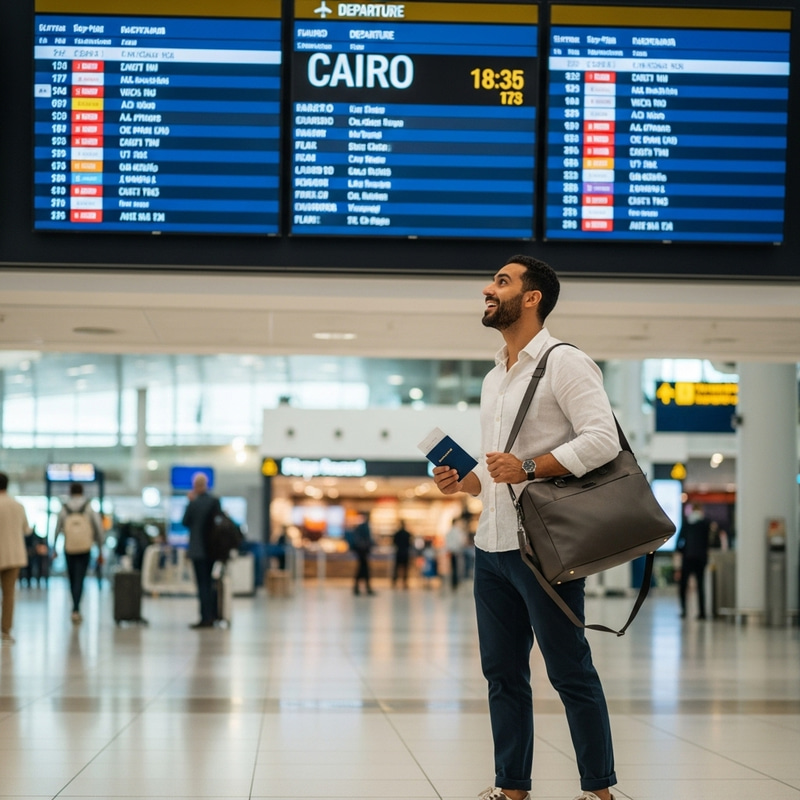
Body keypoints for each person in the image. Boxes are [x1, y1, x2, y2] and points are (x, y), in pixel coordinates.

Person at [433, 255, 619, 800]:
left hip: (544, 548)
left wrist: (531, 466)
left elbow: (602, 440)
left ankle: (598, 791)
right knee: (503, 675)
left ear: (532, 297)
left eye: (501, 282)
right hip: (491, 547)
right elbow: (496, 477)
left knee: (569, 671)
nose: (487, 289)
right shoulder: (495, 377)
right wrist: (463, 482)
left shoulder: (565, 363)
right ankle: (511, 787)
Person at [54, 482, 104, 624]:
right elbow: (99, 529)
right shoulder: (89, 507)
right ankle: (76, 608)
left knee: (72, 578)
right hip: (85, 548)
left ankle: (74, 607)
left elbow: (57, 528)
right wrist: (100, 549)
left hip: (69, 548)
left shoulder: (64, 508)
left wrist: (54, 548)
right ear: (82, 492)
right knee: (80, 578)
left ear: (70, 492)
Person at [182, 472, 221, 628]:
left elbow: (185, 522)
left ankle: (205, 617)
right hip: (212, 549)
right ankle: (213, 615)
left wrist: (190, 502)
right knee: (210, 583)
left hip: (198, 550)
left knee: (202, 585)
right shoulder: (214, 501)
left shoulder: (194, 503)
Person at [0, 472, 30, 643]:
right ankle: (6, 631)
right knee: (9, 594)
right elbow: (26, 530)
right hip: (13, 556)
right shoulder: (18, 506)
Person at [676, 504, 712, 620]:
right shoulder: (705, 524)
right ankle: (702, 612)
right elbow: (708, 542)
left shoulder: (687, 523)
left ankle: (684, 610)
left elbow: (678, 542)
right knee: (701, 585)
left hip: (688, 558)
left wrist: (683, 551)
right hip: (700, 559)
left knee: (683, 585)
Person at [350, 511, 375, 596]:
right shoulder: (365, 527)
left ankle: (359, 587)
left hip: (361, 552)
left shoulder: (360, 527)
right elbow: (368, 539)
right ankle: (365, 587)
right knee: (363, 569)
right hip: (363, 552)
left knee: (362, 569)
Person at [445, 516, 467, 590]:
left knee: (453, 567)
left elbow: (447, 542)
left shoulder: (449, 532)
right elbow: (460, 541)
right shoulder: (458, 531)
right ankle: (456, 582)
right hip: (457, 551)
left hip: (452, 551)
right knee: (457, 568)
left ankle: (453, 582)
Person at [391, 520, 412, 588]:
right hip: (405, 553)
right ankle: (404, 582)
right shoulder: (407, 534)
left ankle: (394, 582)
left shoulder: (397, 534)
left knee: (397, 568)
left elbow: (394, 543)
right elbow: (410, 544)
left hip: (399, 552)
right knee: (405, 568)